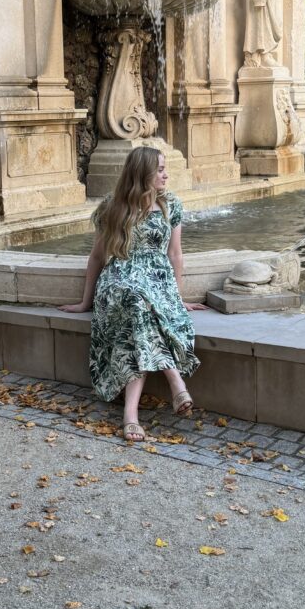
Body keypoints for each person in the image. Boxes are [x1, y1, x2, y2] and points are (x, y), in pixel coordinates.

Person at [60, 146, 206, 442]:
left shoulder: (171, 204)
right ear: (142, 174)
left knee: (138, 312)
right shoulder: (111, 206)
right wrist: (86, 302)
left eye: (165, 169)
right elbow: (97, 257)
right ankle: (175, 381)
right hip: (119, 280)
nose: (166, 175)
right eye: (160, 170)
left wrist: (177, 299)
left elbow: (175, 254)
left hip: (157, 283)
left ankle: (130, 415)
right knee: (135, 299)